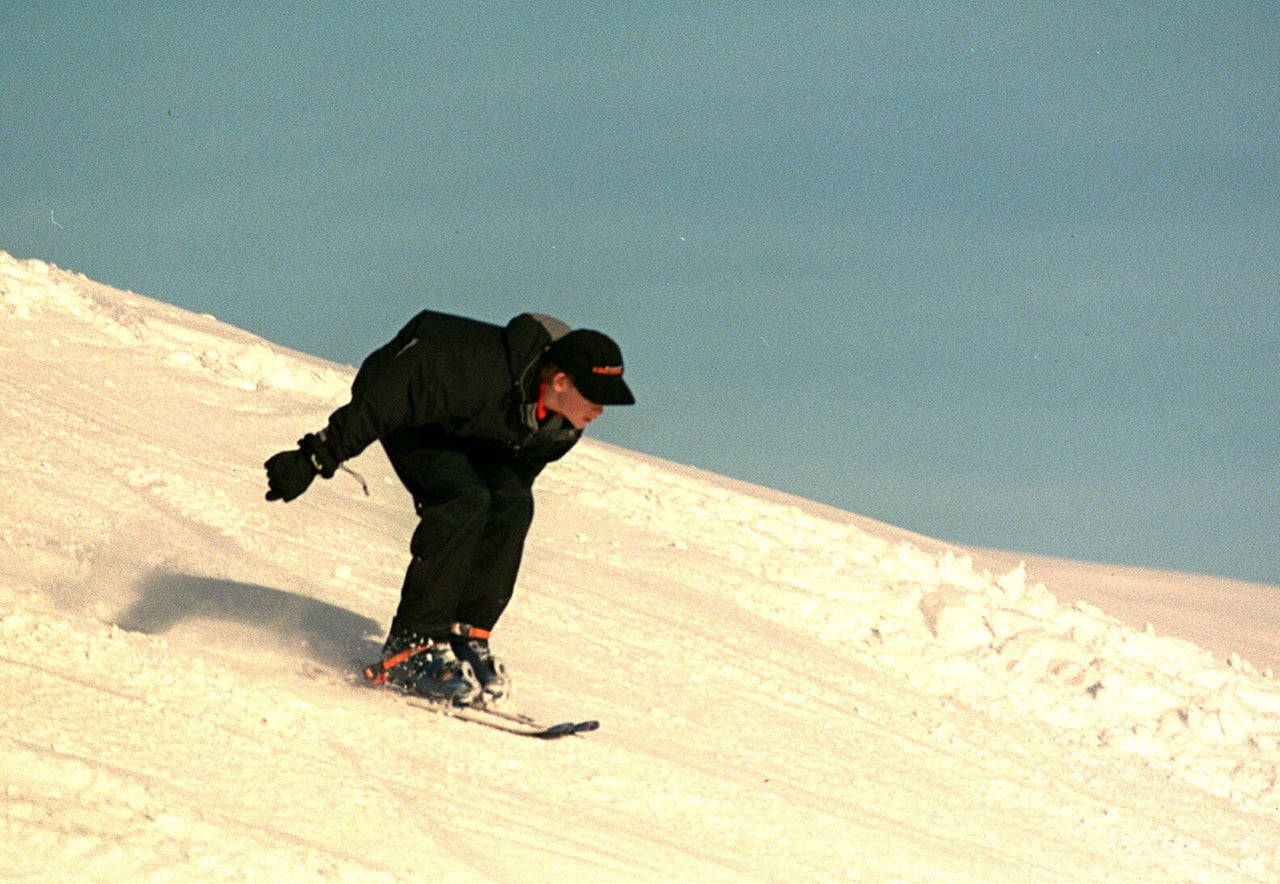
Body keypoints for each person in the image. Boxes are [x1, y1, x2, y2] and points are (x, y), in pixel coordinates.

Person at [263, 311, 634, 706]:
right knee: (462, 500)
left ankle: (465, 635)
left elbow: (515, 477)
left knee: (512, 505)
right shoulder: (476, 373)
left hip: (471, 427)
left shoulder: (562, 427)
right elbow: (389, 398)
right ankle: (412, 644)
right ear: (560, 381)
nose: (601, 410)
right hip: (409, 409)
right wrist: (315, 456)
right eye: (596, 395)